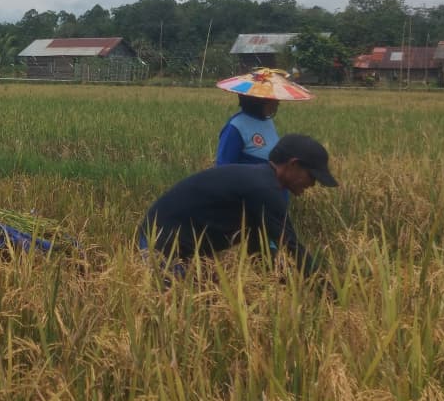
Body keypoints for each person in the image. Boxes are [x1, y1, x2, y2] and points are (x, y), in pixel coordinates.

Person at [139, 133, 337, 278]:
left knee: (212, 296)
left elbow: (258, 248)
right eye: (312, 176)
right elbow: (293, 246)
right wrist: (332, 298)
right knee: (181, 307)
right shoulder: (265, 189)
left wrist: (275, 281)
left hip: (183, 247)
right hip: (159, 246)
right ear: (293, 165)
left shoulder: (259, 182)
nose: (312, 184)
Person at [215, 68, 312, 166]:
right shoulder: (235, 127)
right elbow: (223, 167)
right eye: (272, 99)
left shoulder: (267, 121)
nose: (277, 103)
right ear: (259, 101)